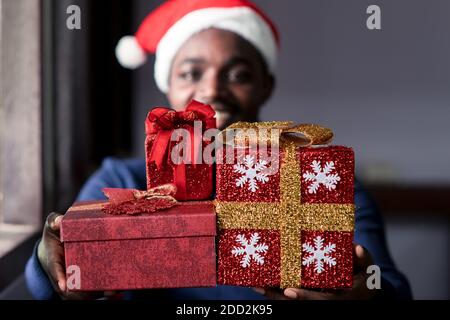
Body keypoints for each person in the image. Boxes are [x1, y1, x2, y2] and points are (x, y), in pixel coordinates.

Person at [25, 0, 412, 300]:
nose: (211, 91)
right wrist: (54, 269)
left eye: (239, 74)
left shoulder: (321, 185)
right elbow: (58, 278)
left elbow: (389, 284)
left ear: (266, 86)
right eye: (191, 73)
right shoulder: (122, 181)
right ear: (168, 86)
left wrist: (369, 292)